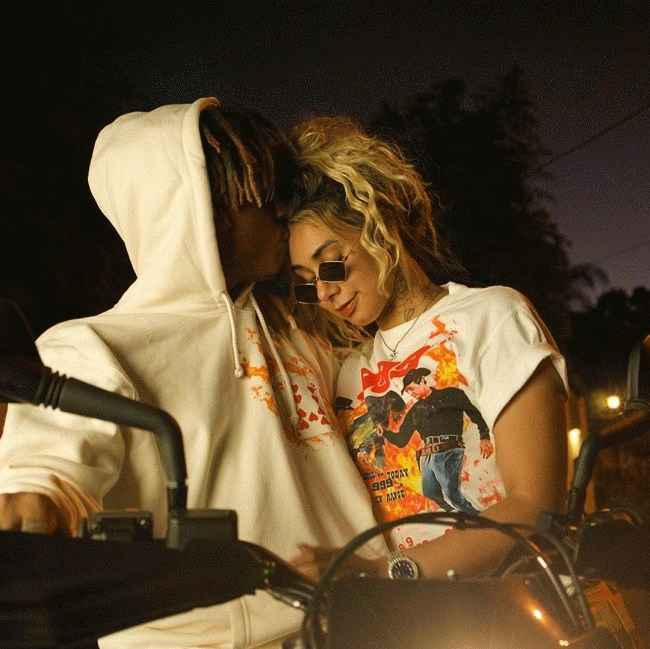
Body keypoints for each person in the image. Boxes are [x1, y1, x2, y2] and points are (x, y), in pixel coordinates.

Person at [0, 99, 384, 649]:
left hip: (361, 624)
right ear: (203, 210)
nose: (280, 210)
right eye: (257, 195)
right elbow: (47, 471)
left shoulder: (299, 327)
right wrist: (37, 499)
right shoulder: (94, 346)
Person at [286, 115, 568, 580]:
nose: (324, 292)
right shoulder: (347, 372)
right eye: (305, 283)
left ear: (380, 225)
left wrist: (385, 573)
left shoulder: (490, 317)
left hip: (511, 600)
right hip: (404, 614)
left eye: (331, 264)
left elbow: (534, 506)